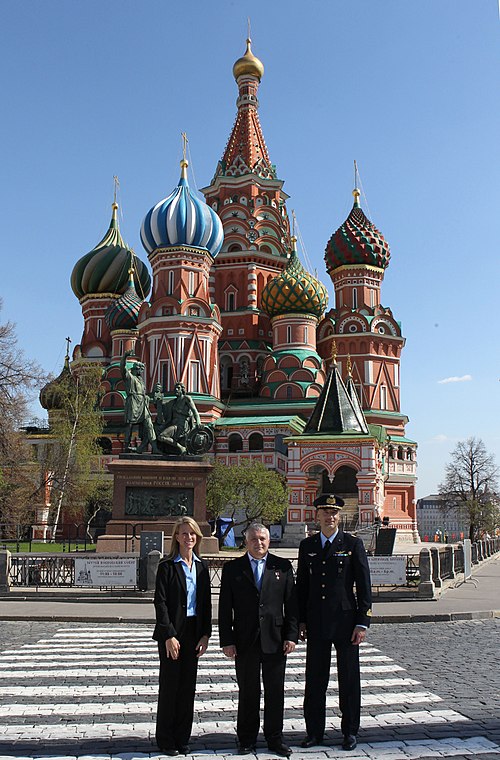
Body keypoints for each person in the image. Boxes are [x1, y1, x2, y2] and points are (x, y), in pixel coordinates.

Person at [296, 494, 372, 752]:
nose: (329, 517)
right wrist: (301, 621)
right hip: (316, 622)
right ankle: (314, 732)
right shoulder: (307, 546)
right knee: (315, 679)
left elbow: (364, 586)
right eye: (325, 512)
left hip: (345, 621)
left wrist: (362, 622)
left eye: (334, 512)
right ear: (316, 515)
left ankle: (350, 732)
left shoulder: (352, 543)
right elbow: (302, 586)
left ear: (339, 516)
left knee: (349, 680)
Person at [219, 523, 299, 757]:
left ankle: (275, 738)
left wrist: (291, 635)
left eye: (263, 538)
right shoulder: (233, 569)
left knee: (275, 692)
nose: (259, 543)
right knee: (248, 692)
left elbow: (291, 604)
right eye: (254, 539)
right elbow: (225, 608)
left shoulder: (282, 567)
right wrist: (227, 639)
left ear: (269, 541)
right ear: (246, 541)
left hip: (275, 639)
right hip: (245, 639)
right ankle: (246, 738)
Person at [153, 517, 212, 756]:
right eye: (184, 534)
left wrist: (205, 634)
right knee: (170, 686)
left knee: (188, 687)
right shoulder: (167, 566)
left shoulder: (201, 567)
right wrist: (168, 634)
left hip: (193, 631)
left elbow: (206, 604)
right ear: (176, 537)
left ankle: (182, 737)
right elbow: (161, 602)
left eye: (193, 534)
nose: (189, 538)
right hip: (173, 633)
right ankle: (166, 739)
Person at [120, 349, 158, 453]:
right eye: (140, 369)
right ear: (136, 369)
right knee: (130, 425)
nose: (141, 371)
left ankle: (154, 447)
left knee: (149, 424)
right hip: (133, 401)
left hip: (142, 403)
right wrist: (125, 356)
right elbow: (122, 368)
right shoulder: (129, 377)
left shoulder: (141, 380)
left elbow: (144, 393)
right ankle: (126, 446)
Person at [157, 382, 201, 454]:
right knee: (159, 433)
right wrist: (158, 400)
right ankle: (180, 447)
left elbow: (195, 411)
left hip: (182, 426)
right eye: (175, 388)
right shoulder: (173, 402)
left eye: (178, 388)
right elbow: (163, 407)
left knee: (162, 436)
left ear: (182, 390)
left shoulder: (186, 398)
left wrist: (198, 422)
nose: (176, 390)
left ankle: (181, 447)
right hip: (174, 425)